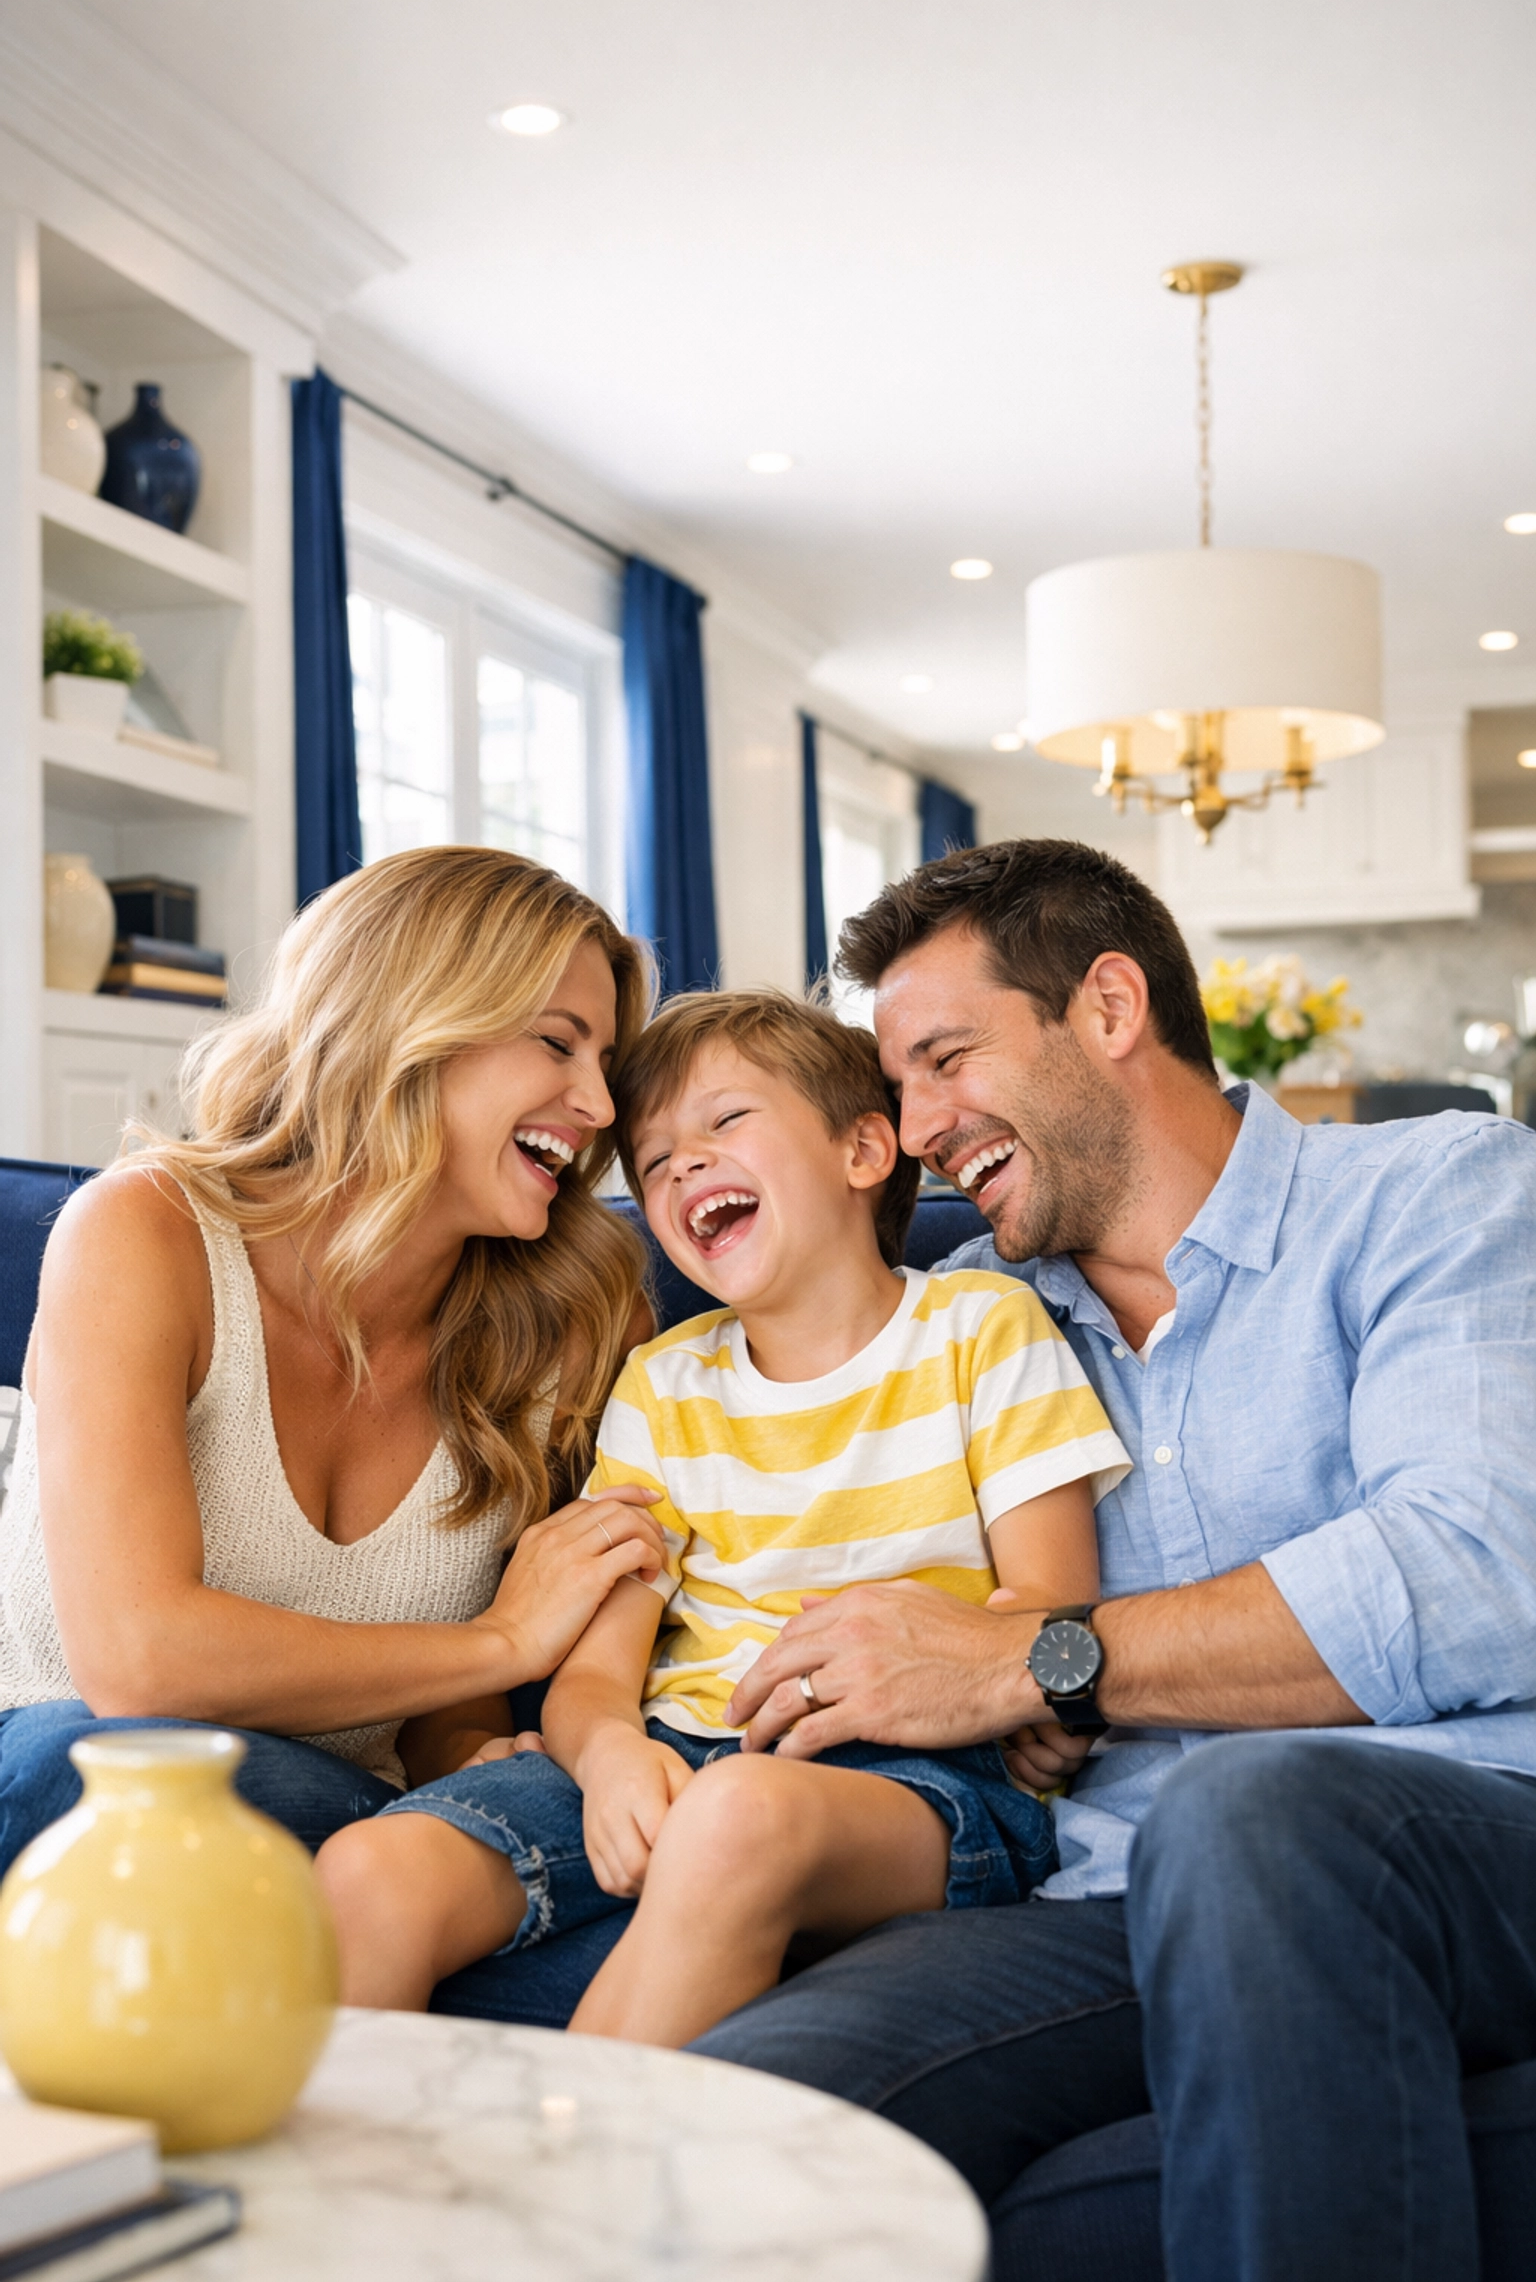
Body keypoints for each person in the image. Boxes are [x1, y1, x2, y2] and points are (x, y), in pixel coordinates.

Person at [684, 840, 1536, 2282]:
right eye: (897, 1086)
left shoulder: (1435, 1192)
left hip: (1470, 1835)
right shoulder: (960, 1321)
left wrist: (1039, 1662)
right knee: (747, 2120)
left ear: (1111, 1006)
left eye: (948, 1057)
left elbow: (1480, 1570)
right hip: (1107, 1889)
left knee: (1257, 1817)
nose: (921, 1124)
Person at [312, 990, 1130, 2035]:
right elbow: (599, 1672)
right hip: (680, 1751)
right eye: (653, 1163)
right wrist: (606, 1755)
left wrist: (1025, 1702)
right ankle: (340, 2195)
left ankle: (556, 2178)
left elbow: (1053, 1601)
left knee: (737, 1819)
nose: (683, 1164)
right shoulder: (663, 1386)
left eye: (726, 1122)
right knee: (371, 1869)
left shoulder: (978, 1329)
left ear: (865, 1150)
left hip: (922, 1776)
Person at [0, 847, 668, 1887]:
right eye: (557, 1045)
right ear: (411, 1024)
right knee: (89, 1768)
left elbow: (447, 1718)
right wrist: (503, 1643)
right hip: (80, 1806)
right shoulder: (147, 1235)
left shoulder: (570, 1323)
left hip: (356, 1836)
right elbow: (141, 1662)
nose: (600, 1108)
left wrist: (471, 1763)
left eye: (605, 1064)